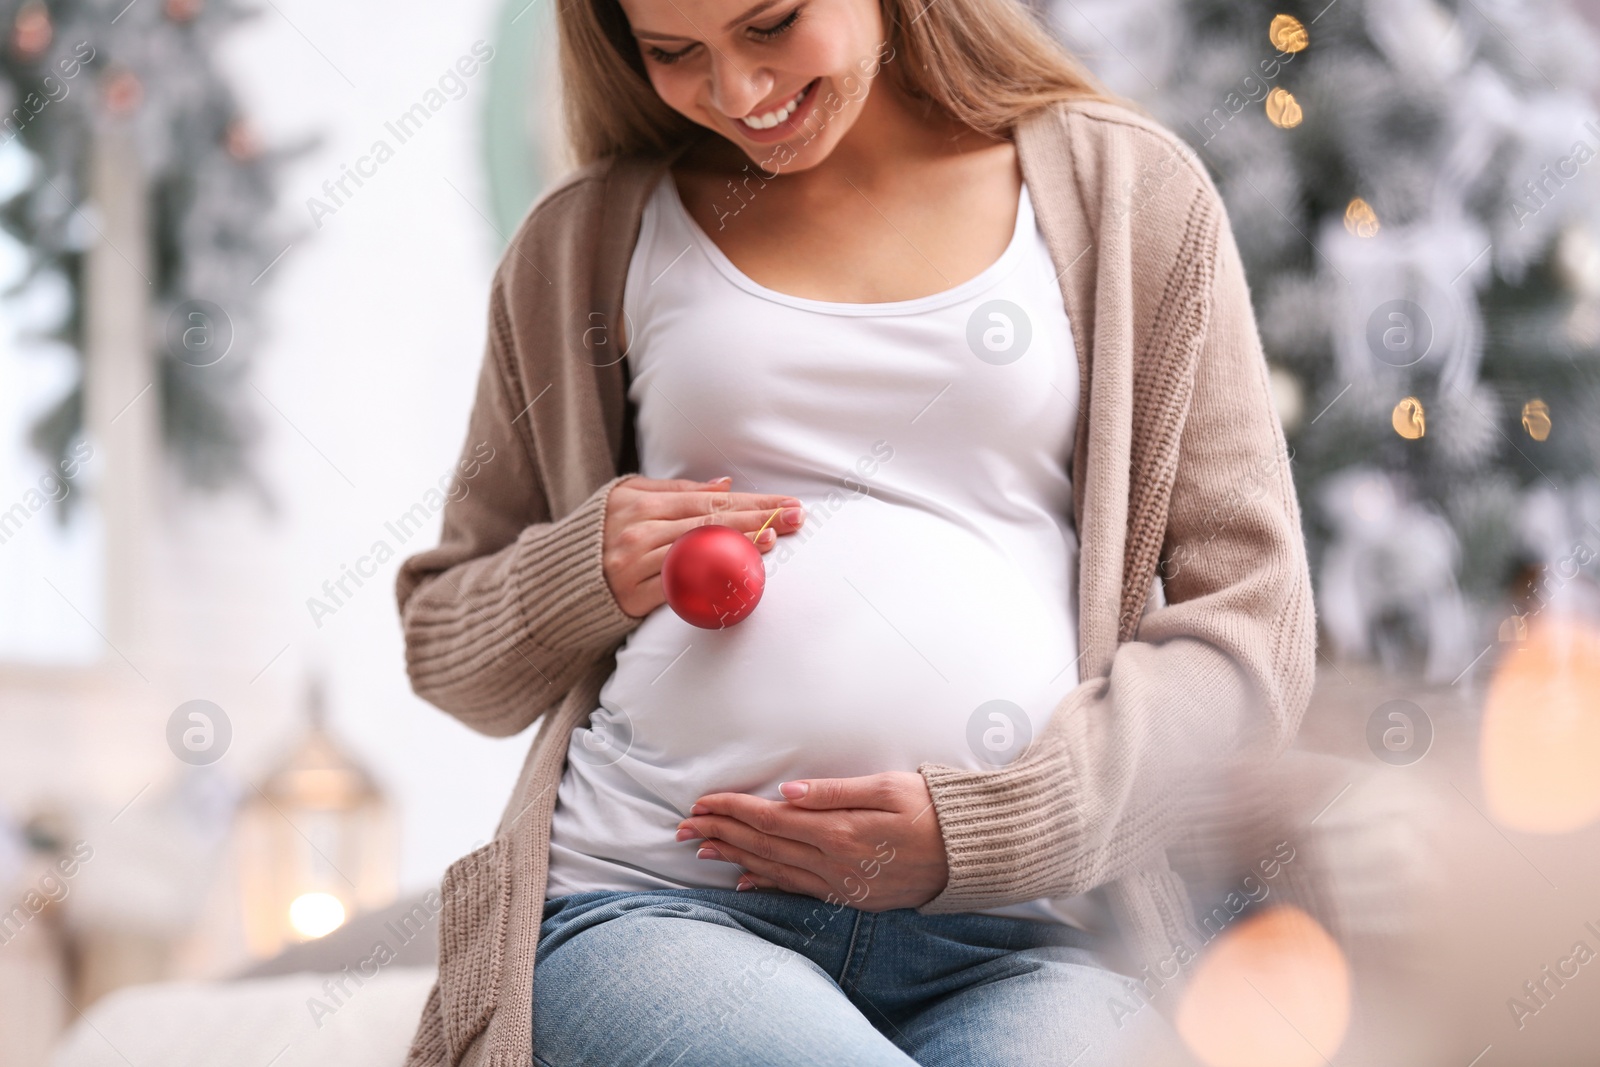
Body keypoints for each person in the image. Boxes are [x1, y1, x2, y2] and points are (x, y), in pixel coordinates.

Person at [393, 0, 1319, 1061]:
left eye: (771, 25)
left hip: (1025, 939)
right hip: (658, 902)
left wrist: (1002, 824)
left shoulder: (1128, 194)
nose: (739, 91)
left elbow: (1251, 631)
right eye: (673, 53)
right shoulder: (587, 241)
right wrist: (581, 568)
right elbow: (445, 645)